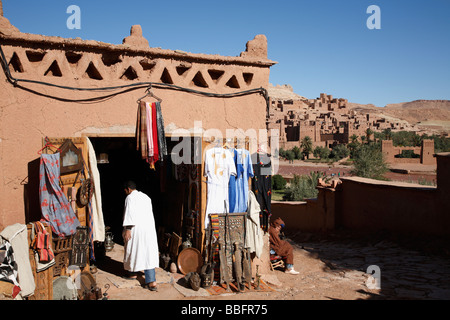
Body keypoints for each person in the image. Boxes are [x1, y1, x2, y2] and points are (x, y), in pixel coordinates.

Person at [122, 180, 159, 291]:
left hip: (136, 229)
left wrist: (128, 229)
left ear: (128, 189)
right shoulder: (146, 197)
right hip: (148, 229)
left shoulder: (130, 198)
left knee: (133, 250)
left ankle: (151, 281)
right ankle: (138, 275)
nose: (126, 193)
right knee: (147, 253)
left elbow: (129, 213)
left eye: (125, 191)